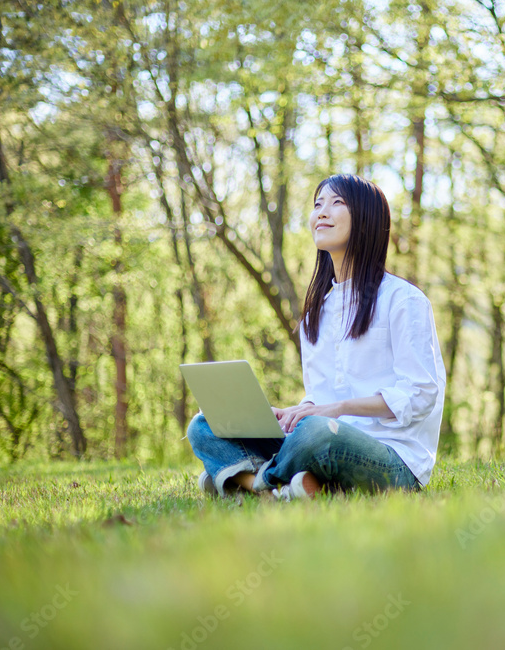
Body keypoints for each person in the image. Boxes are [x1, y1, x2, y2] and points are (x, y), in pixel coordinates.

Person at [186, 174, 446, 500]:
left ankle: (251, 481)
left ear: (366, 220)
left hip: (391, 458)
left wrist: (335, 410)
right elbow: (320, 395)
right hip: (320, 433)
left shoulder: (403, 300)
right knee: (204, 425)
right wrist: (293, 412)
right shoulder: (316, 312)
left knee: (316, 433)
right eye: (318, 204)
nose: (322, 212)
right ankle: (291, 486)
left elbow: (422, 395)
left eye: (337, 203)